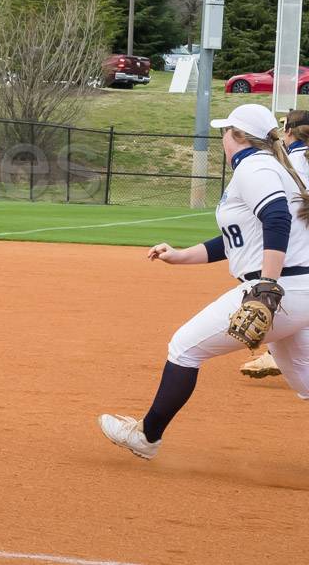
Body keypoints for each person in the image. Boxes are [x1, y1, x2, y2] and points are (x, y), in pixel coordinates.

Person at [98, 104, 309, 460]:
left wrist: (267, 284)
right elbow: (237, 239)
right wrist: (181, 255)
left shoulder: (255, 167)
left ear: (239, 136)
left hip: (281, 288)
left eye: (226, 131)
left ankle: (146, 437)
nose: (222, 137)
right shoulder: (270, 168)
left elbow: (276, 219)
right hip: (300, 291)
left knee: (184, 348)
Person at [240, 109, 309, 379]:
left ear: (289, 132)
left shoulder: (285, 161)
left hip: (295, 242)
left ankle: (276, 354)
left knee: (282, 292)